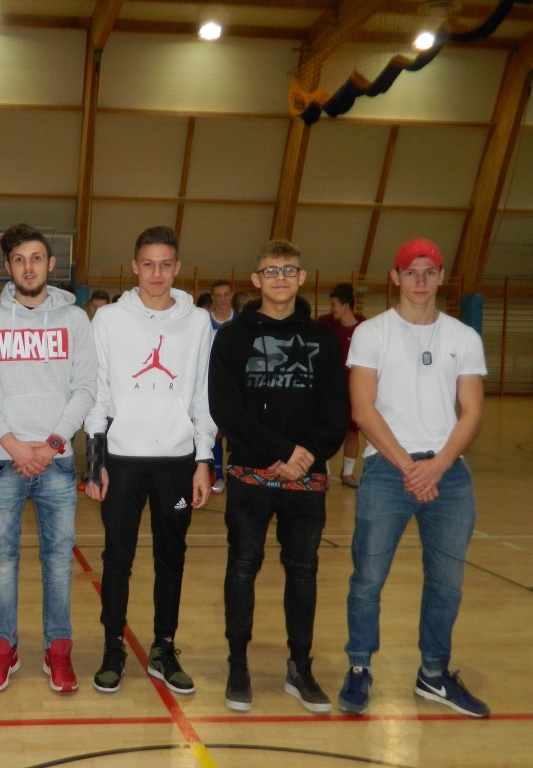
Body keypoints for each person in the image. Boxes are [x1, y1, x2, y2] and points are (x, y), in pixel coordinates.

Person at [338, 239, 489, 718]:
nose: (420, 280)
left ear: (441, 276)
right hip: (388, 471)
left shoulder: (463, 337)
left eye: (429, 271)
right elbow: (362, 410)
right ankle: (359, 667)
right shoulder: (372, 334)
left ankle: (433, 673)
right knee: (368, 578)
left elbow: (472, 411)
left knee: (447, 583)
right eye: (410, 271)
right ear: (395, 277)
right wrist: (410, 467)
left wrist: (438, 465)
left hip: (448, 474)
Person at [208, 240, 348, 713]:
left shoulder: (323, 339)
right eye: (271, 271)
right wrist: (285, 452)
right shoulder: (232, 338)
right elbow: (225, 408)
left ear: (302, 278)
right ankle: (238, 665)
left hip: (306, 479)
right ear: (256, 280)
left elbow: (336, 410)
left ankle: (300, 666)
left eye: (289, 270)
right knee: (242, 566)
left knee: (303, 570)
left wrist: (305, 456)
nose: (281, 278)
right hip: (251, 475)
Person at [84, 226, 215, 695]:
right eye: (148, 264)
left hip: (176, 462)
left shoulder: (198, 322)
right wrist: (95, 459)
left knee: (170, 559)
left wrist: (204, 460)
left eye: (165, 265)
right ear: (134, 267)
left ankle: (163, 647)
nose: (156, 273)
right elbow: (97, 393)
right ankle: (112, 646)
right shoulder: (108, 320)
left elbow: (202, 395)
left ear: (177, 268)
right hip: (122, 461)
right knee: (116, 559)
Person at [0, 224, 97, 693]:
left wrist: (51, 445)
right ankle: (3, 649)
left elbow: (85, 389)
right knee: (2, 561)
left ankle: (57, 650)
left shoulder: (74, 320)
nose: (28, 267)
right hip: (5, 460)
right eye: (19, 259)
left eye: (36, 258)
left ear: (51, 264)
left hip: (56, 462)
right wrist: (15, 445)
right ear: (7, 267)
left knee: (58, 561)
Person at [317, 283, 368, 487]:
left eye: (334, 305)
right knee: (326, 429)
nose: (332, 309)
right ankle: (324, 472)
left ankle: (348, 473)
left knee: (352, 431)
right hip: (329, 387)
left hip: (354, 387)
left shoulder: (364, 327)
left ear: (345, 305)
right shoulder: (324, 324)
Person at [207, 280, 239, 494]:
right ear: (213, 297)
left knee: (239, 434)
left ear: (231, 295)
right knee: (215, 433)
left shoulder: (242, 322)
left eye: (226, 294)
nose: (222, 299)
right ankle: (218, 475)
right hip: (212, 385)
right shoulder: (204, 322)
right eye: (218, 295)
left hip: (238, 387)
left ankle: (237, 475)